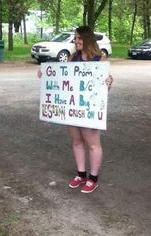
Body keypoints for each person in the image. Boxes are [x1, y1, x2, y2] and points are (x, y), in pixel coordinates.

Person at [67, 26, 113, 193]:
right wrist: (45, 75)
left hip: (90, 110)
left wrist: (108, 83)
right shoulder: (72, 58)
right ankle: (81, 174)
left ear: (88, 39)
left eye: (79, 38)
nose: (76, 41)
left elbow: (104, 87)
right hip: (72, 108)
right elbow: (61, 79)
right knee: (77, 141)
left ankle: (93, 178)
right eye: (75, 38)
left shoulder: (100, 60)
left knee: (93, 144)